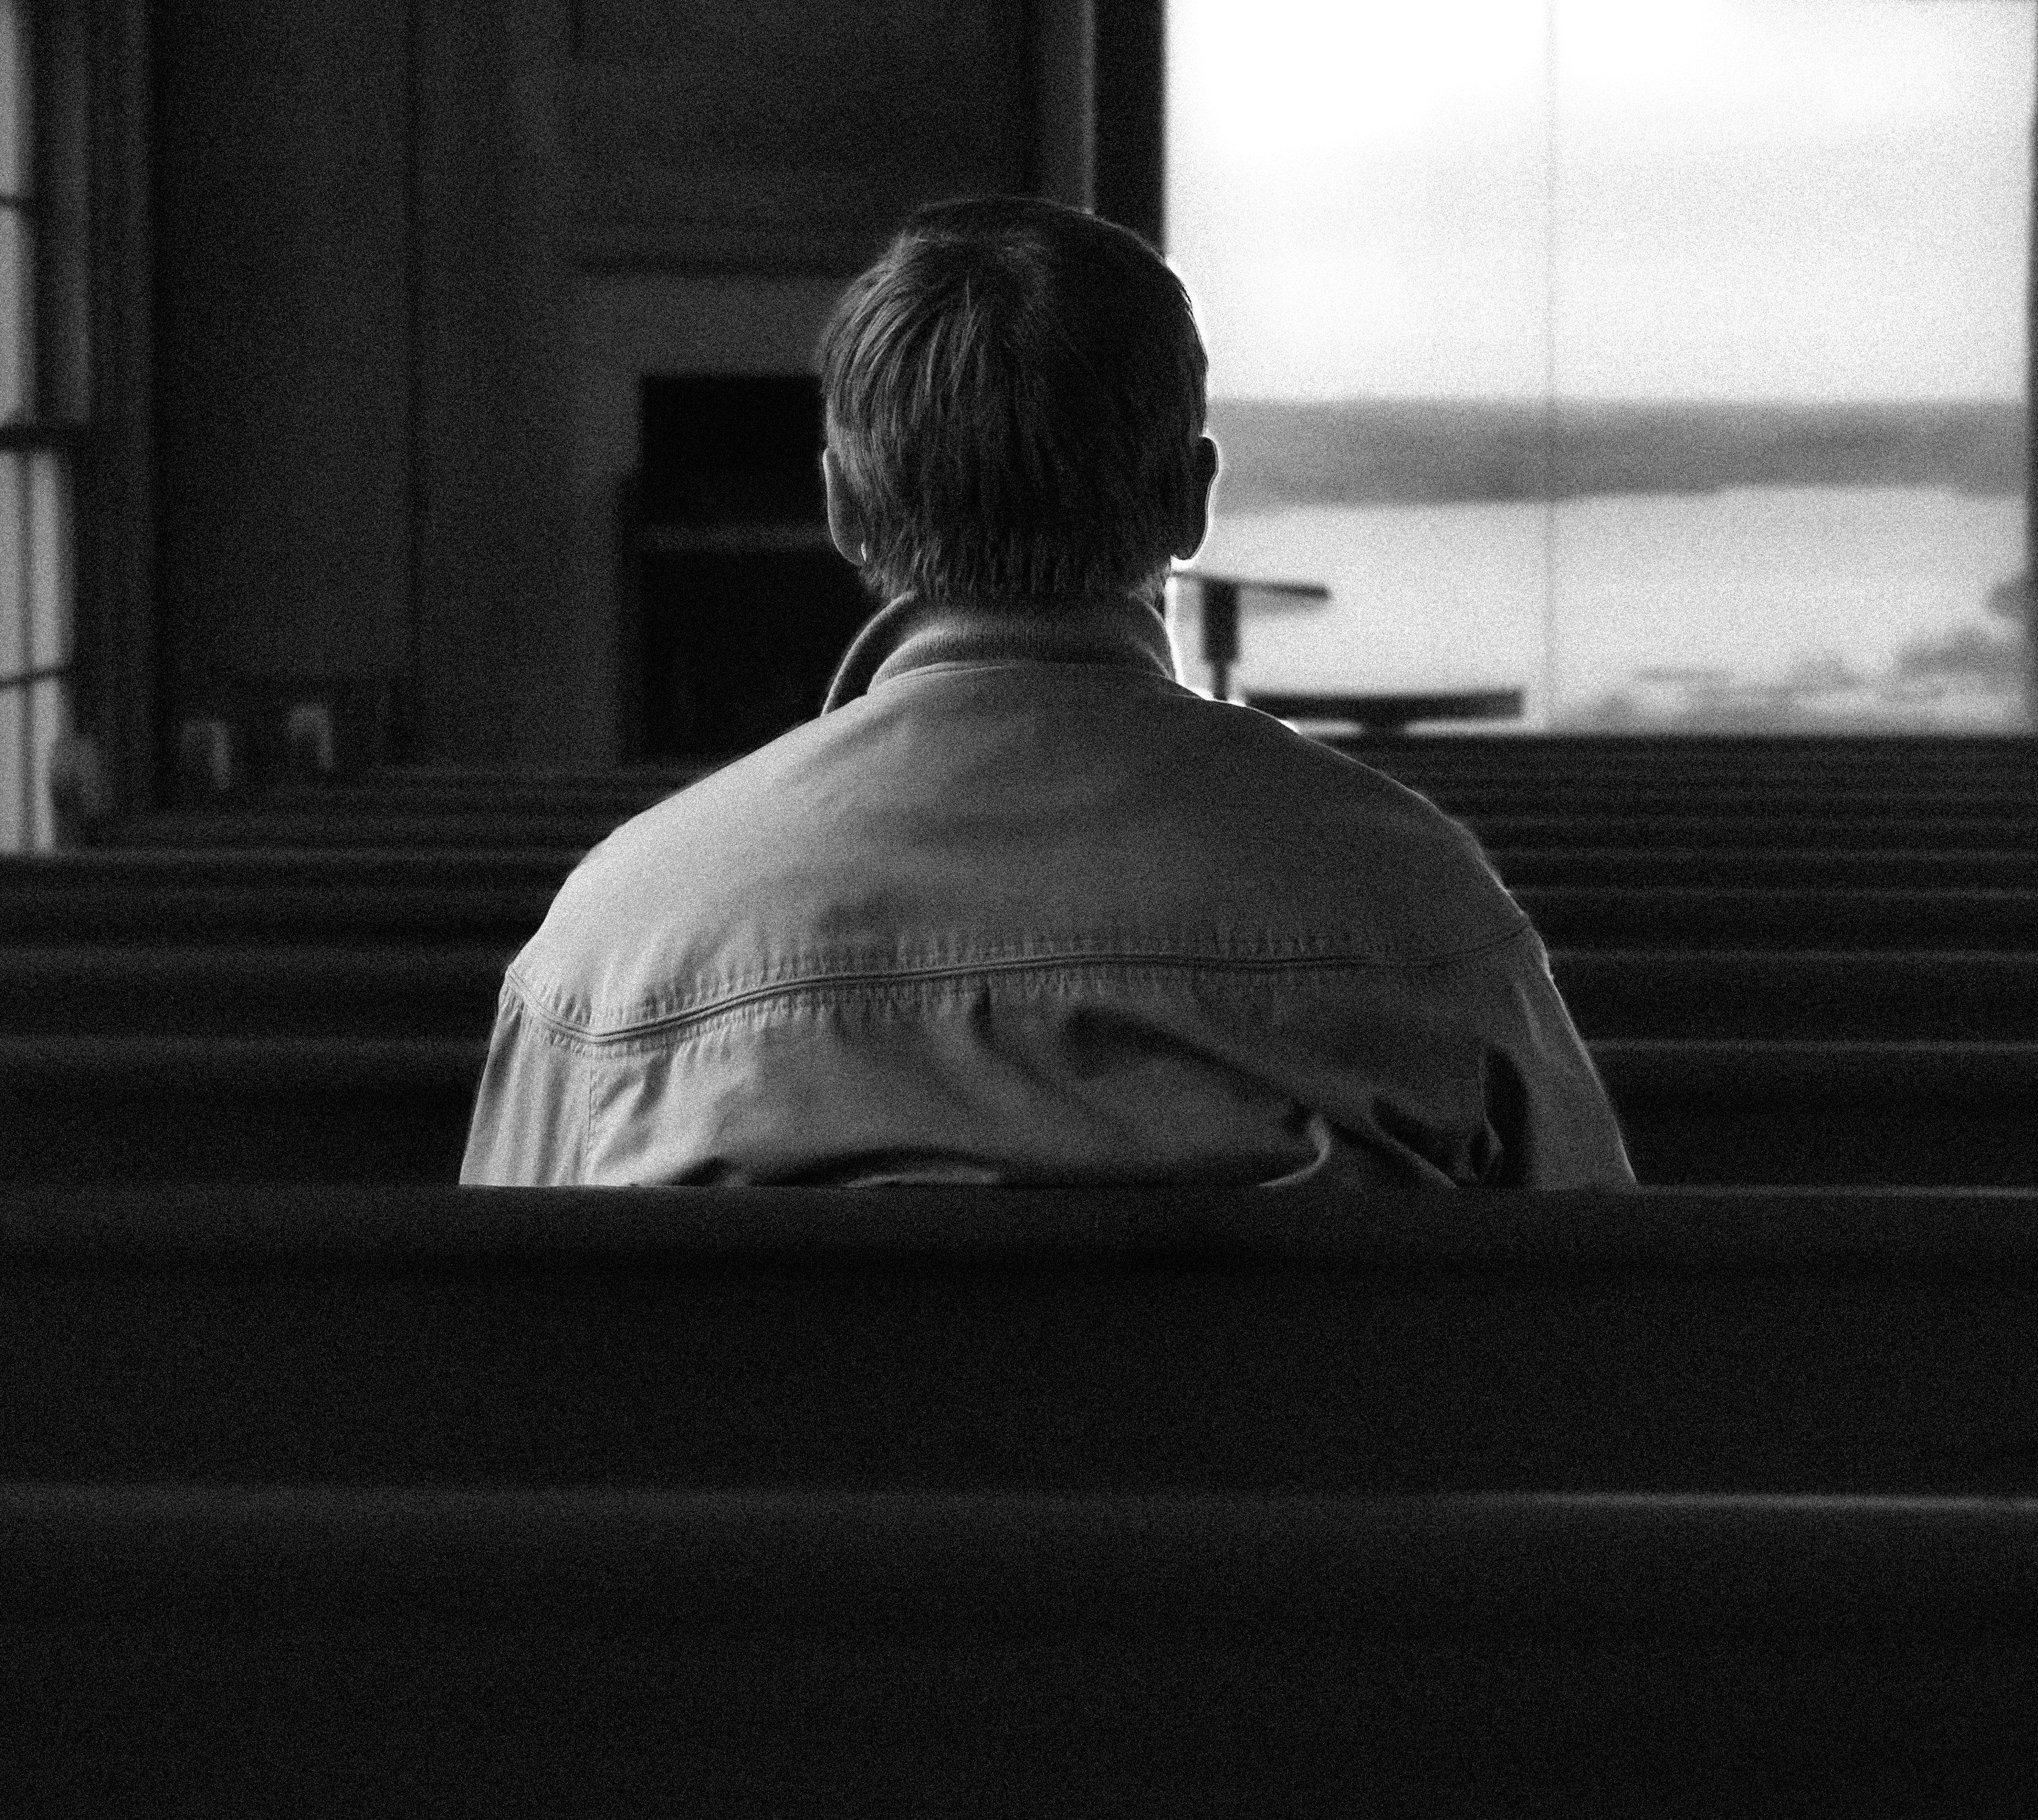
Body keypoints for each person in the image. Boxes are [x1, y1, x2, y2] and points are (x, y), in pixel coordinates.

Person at [463, 197, 1632, 1187]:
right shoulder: (1419, 905)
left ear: (843, 511)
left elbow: (511, 1373)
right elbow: (1597, 1338)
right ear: (1193, 499)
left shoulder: (619, 942)